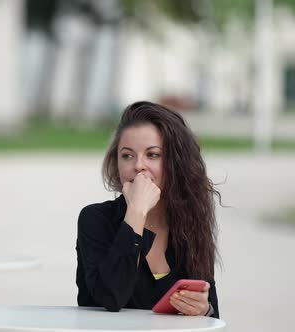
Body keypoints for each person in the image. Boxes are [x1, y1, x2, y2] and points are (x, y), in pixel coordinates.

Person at [75, 101, 220, 318]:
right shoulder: (95, 219)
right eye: (127, 155)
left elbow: (214, 315)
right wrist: (136, 212)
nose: (138, 165)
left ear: (176, 163)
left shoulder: (189, 225)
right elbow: (111, 297)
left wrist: (204, 309)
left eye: (152, 155)